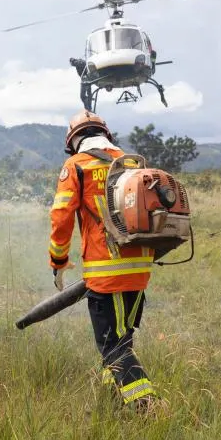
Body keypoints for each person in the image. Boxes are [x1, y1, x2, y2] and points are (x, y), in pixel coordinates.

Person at [48, 109, 159, 413]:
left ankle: (147, 407)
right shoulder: (132, 163)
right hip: (140, 272)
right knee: (121, 341)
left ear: (73, 141)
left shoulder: (76, 166)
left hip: (105, 276)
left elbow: (61, 217)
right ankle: (112, 403)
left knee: (114, 348)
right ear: (105, 134)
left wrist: (58, 260)